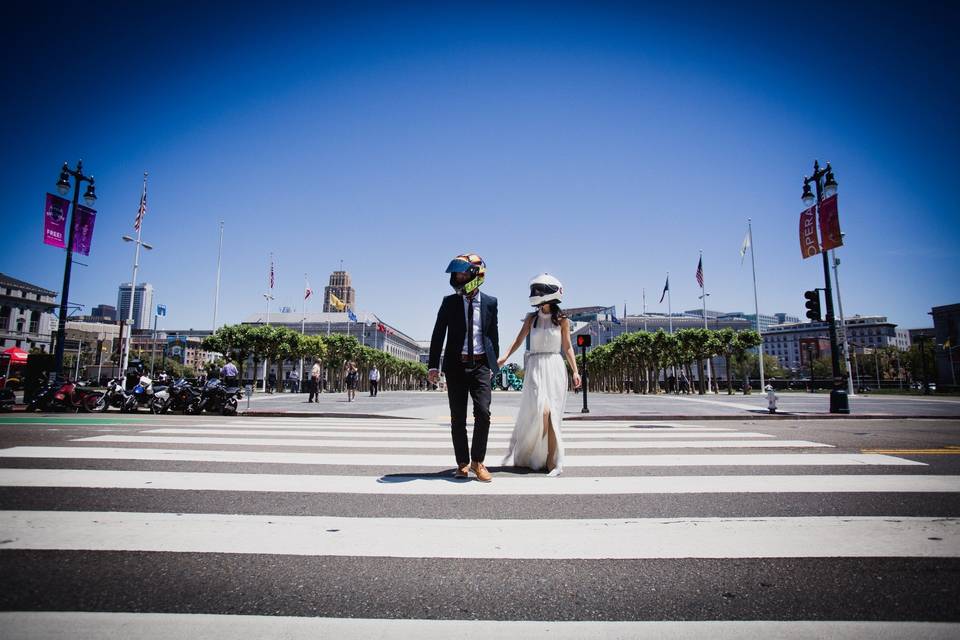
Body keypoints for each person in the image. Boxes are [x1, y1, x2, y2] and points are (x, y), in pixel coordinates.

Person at [498, 274, 581, 476]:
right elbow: (518, 340)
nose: (535, 294)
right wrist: (505, 356)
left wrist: (575, 371)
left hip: (554, 366)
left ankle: (551, 461)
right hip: (535, 366)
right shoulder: (531, 318)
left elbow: (568, 347)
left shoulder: (562, 320)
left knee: (553, 415)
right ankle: (535, 452)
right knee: (541, 412)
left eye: (539, 290)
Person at [428, 253, 499, 482]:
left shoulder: (490, 303)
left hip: (480, 365)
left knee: (484, 413)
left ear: (476, 275)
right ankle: (462, 463)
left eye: (461, 274)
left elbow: (492, 336)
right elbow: (438, 334)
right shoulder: (449, 302)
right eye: (456, 274)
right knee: (457, 417)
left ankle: (478, 462)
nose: (458, 278)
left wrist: (493, 365)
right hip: (456, 366)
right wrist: (432, 366)